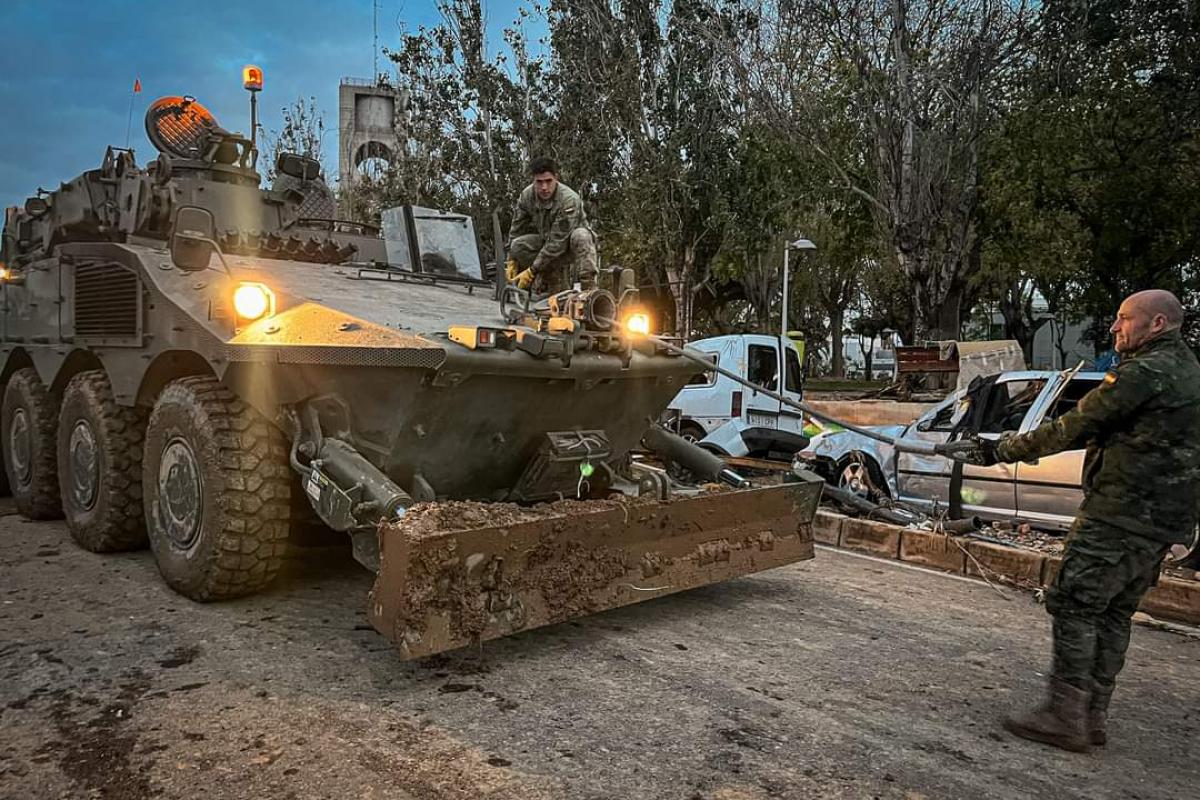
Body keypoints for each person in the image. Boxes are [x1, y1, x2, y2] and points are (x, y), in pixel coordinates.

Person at [940, 289, 1200, 753]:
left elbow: (1073, 426)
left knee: (1075, 603)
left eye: (1124, 319)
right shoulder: (1188, 370)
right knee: (1115, 611)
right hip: (1161, 522)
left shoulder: (1145, 373)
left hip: (1120, 514)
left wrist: (998, 450)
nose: (1116, 328)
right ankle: (1093, 714)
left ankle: (1065, 715)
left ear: (1157, 324)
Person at [506, 157, 597, 295]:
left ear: (556, 178)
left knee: (581, 236)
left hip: (571, 247)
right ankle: (552, 282)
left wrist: (532, 270)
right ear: (533, 180)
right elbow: (516, 228)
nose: (544, 187)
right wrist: (511, 259)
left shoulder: (569, 200)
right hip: (547, 242)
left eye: (548, 181)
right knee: (517, 246)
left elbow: (557, 244)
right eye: (539, 182)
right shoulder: (527, 196)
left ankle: (590, 293)